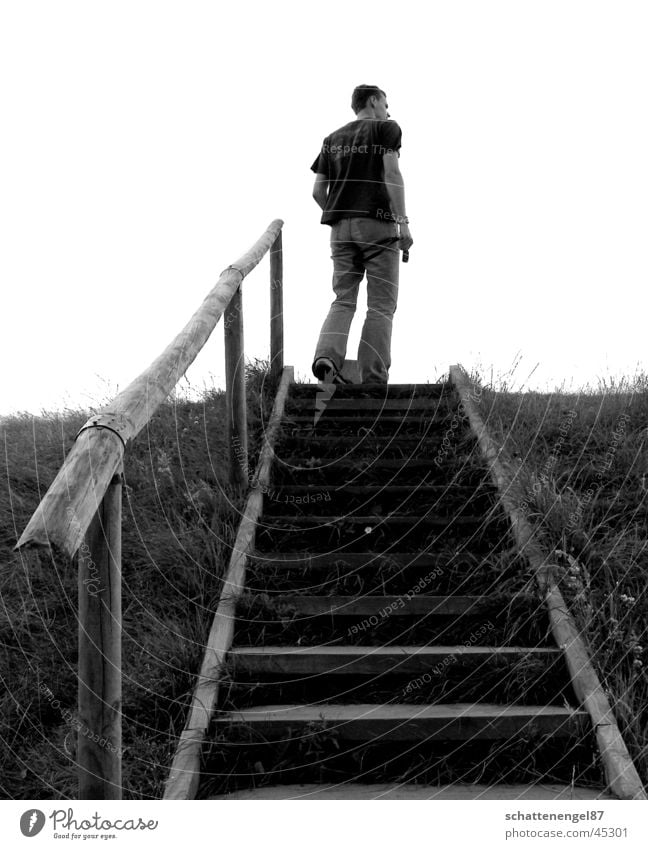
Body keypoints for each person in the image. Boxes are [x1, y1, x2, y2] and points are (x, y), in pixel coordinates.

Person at [310, 84, 413, 385]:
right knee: (381, 305)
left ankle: (327, 357)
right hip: (377, 225)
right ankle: (372, 380)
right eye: (385, 103)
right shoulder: (386, 129)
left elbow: (318, 191)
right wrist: (403, 223)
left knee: (343, 299)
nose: (388, 110)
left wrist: (342, 211)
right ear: (373, 101)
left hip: (340, 229)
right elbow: (391, 173)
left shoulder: (332, 140)